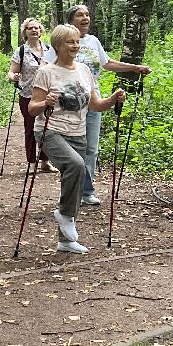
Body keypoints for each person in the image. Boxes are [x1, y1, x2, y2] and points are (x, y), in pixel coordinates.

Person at [30, 24, 131, 254]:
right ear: (57, 45)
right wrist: (45, 103)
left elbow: (95, 104)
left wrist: (114, 99)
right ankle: (65, 215)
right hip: (51, 130)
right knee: (75, 166)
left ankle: (65, 240)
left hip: (78, 132)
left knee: (75, 177)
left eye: (77, 41)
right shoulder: (47, 72)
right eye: (70, 42)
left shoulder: (84, 70)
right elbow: (32, 109)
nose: (75, 46)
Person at [43, 4, 149, 205]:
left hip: (92, 97)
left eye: (87, 14)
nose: (85, 18)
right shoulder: (61, 42)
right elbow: (47, 66)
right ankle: (70, 190)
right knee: (71, 148)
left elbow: (107, 63)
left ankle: (87, 191)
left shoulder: (93, 41)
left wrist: (135, 67)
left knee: (91, 148)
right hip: (65, 101)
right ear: (71, 20)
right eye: (80, 15)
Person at [7, 16, 51, 172]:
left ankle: (45, 162)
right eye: (30, 28)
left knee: (47, 127)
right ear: (25, 32)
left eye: (36, 27)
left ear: (41, 31)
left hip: (47, 95)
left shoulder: (49, 49)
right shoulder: (21, 51)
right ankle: (32, 162)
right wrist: (14, 77)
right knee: (31, 127)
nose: (34, 30)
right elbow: (11, 73)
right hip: (27, 95)